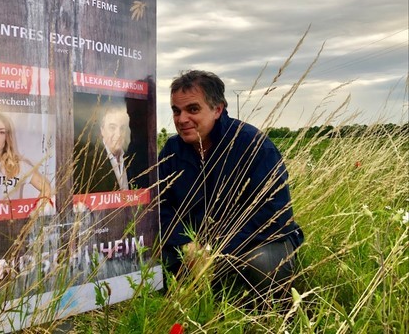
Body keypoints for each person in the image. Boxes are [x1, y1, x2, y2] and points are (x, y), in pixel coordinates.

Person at [159, 70, 303, 303]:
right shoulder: (172, 151)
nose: (181, 119)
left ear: (218, 109)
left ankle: (271, 313)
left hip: (251, 243)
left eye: (192, 109)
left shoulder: (253, 145)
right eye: (176, 110)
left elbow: (275, 215)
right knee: (146, 260)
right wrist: (184, 243)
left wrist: (214, 250)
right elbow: (159, 205)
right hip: (193, 245)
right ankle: (187, 304)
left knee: (263, 263)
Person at [74, 103, 133, 193]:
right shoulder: (89, 164)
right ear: (102, 130)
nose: (118, 134)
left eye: (122, 128)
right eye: (112, 128)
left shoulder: (131, 160)